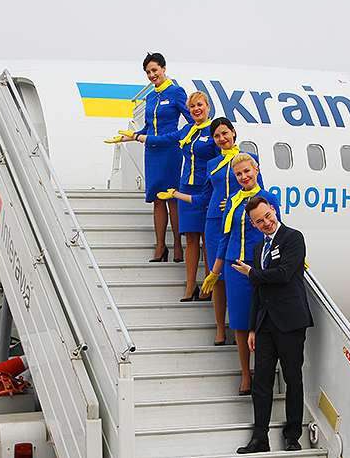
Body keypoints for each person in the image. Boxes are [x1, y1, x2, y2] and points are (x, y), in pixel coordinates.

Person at [158, 118, 262, 343]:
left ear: (233, 133)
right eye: (217, 136)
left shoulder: (247, 159)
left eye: (225, 133)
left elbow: (258, 191)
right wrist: (176, 195)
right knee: (218, 276)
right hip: (214, 222)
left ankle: (242, 328)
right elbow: (204, 196)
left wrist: (238, 203)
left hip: (240, 222)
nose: (222, 138)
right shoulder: (212, 163)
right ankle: (220, 329)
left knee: (239, 273)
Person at [231, 196, 312, 454]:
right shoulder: (259, 249)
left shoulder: (293, 238)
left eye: (267, 216)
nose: (266, 222)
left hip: (290, 321)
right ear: (253, 225)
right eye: (259, 221)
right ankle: (260, 437)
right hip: (265, 323)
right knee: (261, 382)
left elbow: (284, 274)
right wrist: (252, 328)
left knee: (292, 378)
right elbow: (257, 290)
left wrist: (252, 273)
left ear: (274, 211)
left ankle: (293, 435)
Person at [126, 92, 218, 301]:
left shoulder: (214, 131)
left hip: (206, 189)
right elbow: (165, 139)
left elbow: (221, 161)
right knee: (191, 239)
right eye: (192, 106)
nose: (196, 109)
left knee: (206, 239)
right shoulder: (187, 130)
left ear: (208, 107)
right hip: (186, 188)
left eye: (200, 105)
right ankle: (190, 286)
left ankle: (207, 286)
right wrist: (137, 137)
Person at [201, 154, 280, 395]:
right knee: (240, 322)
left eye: (247, 171)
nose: (244, 176)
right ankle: (246, 374)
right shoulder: (232, 201)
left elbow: (277, 229)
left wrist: (295, 256)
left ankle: (263, 373)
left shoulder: (268, 198)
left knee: (263, 321)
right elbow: (225, 237)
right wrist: (215, 271)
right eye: (239, 174)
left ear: (256, 170)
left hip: (260, 265)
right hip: (235, 267)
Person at [105, 52, 190, 262]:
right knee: (157, 199)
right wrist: (130, 136)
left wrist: (174, 137)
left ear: (163, 68)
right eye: (148, 72)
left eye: (154, 70)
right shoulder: (150, 97)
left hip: (170, 150)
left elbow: (191, 123)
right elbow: (148, 128)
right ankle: (160, 247)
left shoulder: (176, 92)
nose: (152, 75)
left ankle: (177, 245)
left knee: (172, 198)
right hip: (152, 152)